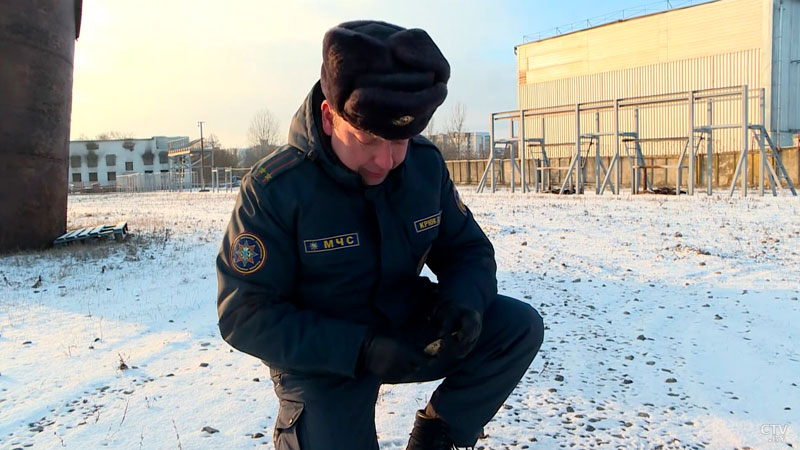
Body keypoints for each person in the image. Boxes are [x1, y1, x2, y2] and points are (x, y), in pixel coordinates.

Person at [216, 20, 544, 450]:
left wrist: (465, 301)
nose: (385, 161)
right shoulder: (276, 188)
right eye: (368, 140)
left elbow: (467, 249)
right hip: (323, 355)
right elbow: (244, 314)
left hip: (403, 324)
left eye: (401, 140)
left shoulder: (424, 167)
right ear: (330, 117)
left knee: (517, 327)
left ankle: (437, 435)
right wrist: (358, 348)